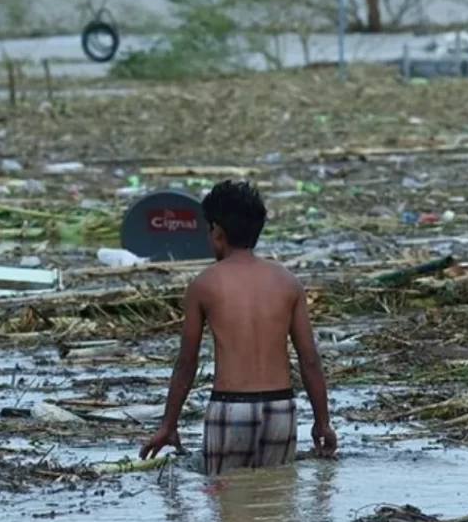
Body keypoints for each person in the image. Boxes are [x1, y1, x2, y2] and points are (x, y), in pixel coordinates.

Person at [139, 180, 336, 475]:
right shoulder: (287, 282)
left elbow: (187, 362)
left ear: (217, 231)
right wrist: (323, 423)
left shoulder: (204, 284)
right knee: (275, 505)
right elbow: (309, 359)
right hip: (281, 409)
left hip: (230, 410)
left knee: (227, 506)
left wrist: (168, 425)